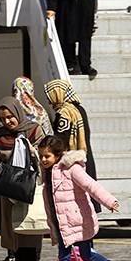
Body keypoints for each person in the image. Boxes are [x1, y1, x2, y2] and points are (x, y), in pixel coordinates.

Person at [37, 135, 121, 261]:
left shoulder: (71, 168)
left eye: (47, 156)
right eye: (41, 156)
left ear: (58, 155)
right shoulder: (46, 171)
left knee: (86, 255)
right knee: (64, 257)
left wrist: (109, 201)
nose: (43, 160)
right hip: (60, 222)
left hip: (78, 220)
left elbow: (91, 185)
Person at [0, 97, 46, 261]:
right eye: (3, 118)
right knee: (16, 240)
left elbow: (43, 157)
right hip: (8, 192)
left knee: (28, 234)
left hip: (28, 190)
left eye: (10, 117)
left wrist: (30, 149)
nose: (7, 121)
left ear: (18, 113)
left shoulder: (33, 130)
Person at [43, 78, 101, 213]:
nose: (49, 101)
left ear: (58, 93)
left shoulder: (65, 114)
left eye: (50, 96)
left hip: (71, 161)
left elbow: (61, 140)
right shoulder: (80, 109)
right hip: (85, 156)